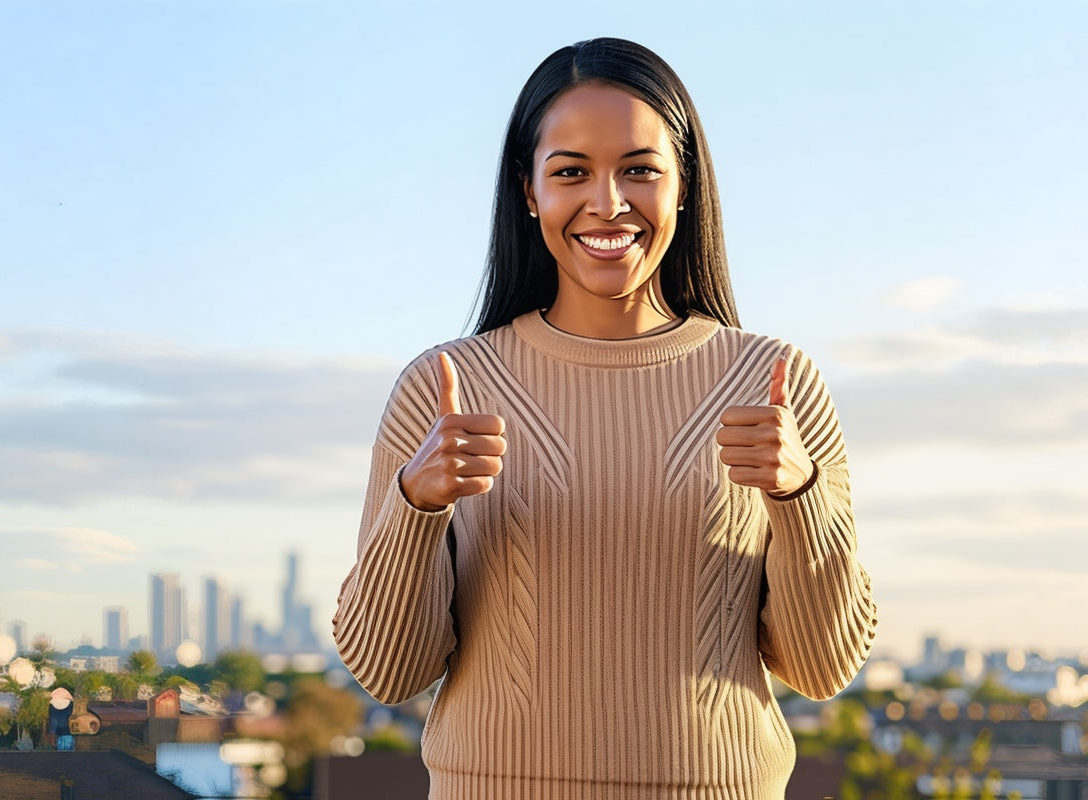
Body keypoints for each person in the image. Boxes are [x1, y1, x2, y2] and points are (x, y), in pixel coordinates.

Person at [332, 37, 877, 798]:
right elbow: (389, 672)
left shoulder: (774, 383)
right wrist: (416, 504)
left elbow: (823, 667)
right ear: (529, 191)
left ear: (684, 184)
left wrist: (799, 494)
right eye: (571, 172)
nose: (608, 203)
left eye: (640, 170)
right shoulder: (445, 386)